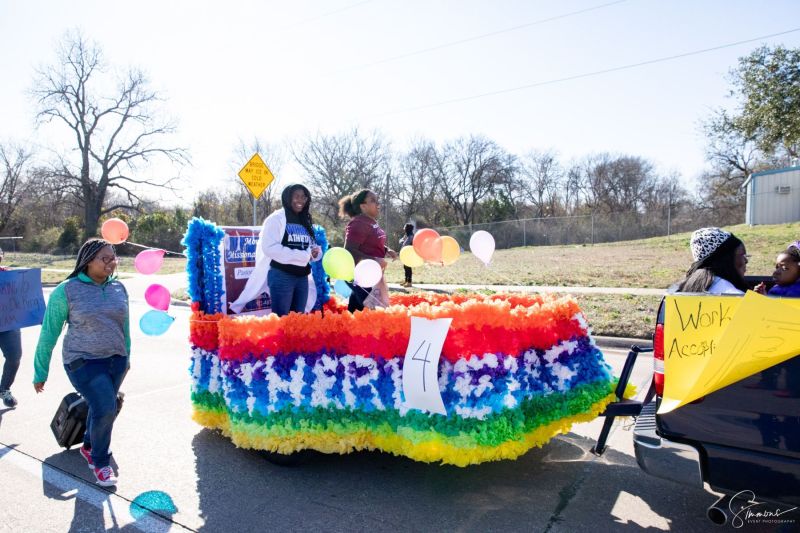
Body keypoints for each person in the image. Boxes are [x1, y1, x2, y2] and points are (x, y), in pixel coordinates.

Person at [33, 238, 130, 487]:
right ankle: (99, 462)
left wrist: (126, 356)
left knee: (99, 407)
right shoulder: (66, 290)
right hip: (82, 361)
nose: (111, 263)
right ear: (88, 262)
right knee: (106, 407)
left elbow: (124, 327)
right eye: (104, 258)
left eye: (113, 257)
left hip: (115, 360)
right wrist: (40, 370)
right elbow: (49, 333)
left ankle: (88, 445)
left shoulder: (119, 288)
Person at [230, 184, 321, 316]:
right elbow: (270, 248)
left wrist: (315, 252)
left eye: (304, 197)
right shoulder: (276, 219)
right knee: (281, 318)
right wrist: (304, 255)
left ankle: (293, 338)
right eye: (296, 196)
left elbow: (309, 246)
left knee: (299, 318)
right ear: (288, 198)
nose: (300, 200)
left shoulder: (304, 219)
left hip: (302, 277)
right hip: (282, 275)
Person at [338, 189, 398, 311]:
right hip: (361, 276)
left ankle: (347, 327)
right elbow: (349, 250)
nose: (378, 204)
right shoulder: (358, 223)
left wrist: (387, 250)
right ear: (363, 206)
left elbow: (371, 243)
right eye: (373, 201)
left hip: (370, 274)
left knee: (357, 310)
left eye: (377, 201)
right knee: (372, 311)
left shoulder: (370, 221)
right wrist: (374, 260)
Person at [676, 227, 749, 294]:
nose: (746, 261)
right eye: (743, 255)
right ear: (725, 259)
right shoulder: (734, 295)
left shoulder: (686, 287)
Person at [0, 246, 22, 408]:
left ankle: (4, 389)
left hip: (8, 324)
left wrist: (37, 314)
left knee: (14, 357)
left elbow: (26, 297)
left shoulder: (9, 275)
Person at [398, 223, 415, 287]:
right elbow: (400, 241)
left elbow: (405, 244)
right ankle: (406, 281)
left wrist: (402, 241)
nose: (403, 228)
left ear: (407, 228)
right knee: (405, 267)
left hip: (409, 254)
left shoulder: (411, 236)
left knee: (408, 267)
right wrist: (402, 241)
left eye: (404, 227)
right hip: (406, 254)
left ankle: (409, 282)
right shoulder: (407, 235)